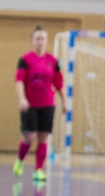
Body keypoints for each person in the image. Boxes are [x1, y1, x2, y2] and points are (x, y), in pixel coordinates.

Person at [14, 24, 66, 183]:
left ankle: (38, 170)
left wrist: (64, 102)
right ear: (32, 40)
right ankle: (19, 161)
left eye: (43, 39)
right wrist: (22, 98)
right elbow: (19, 80)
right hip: (30, 104)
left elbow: (59, 83)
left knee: (43, 137)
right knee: (29, 136)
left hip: (47, 104)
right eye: (37, 39)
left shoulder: (53, 61)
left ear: (46, 41)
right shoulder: (25, 59)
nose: (40, 42)